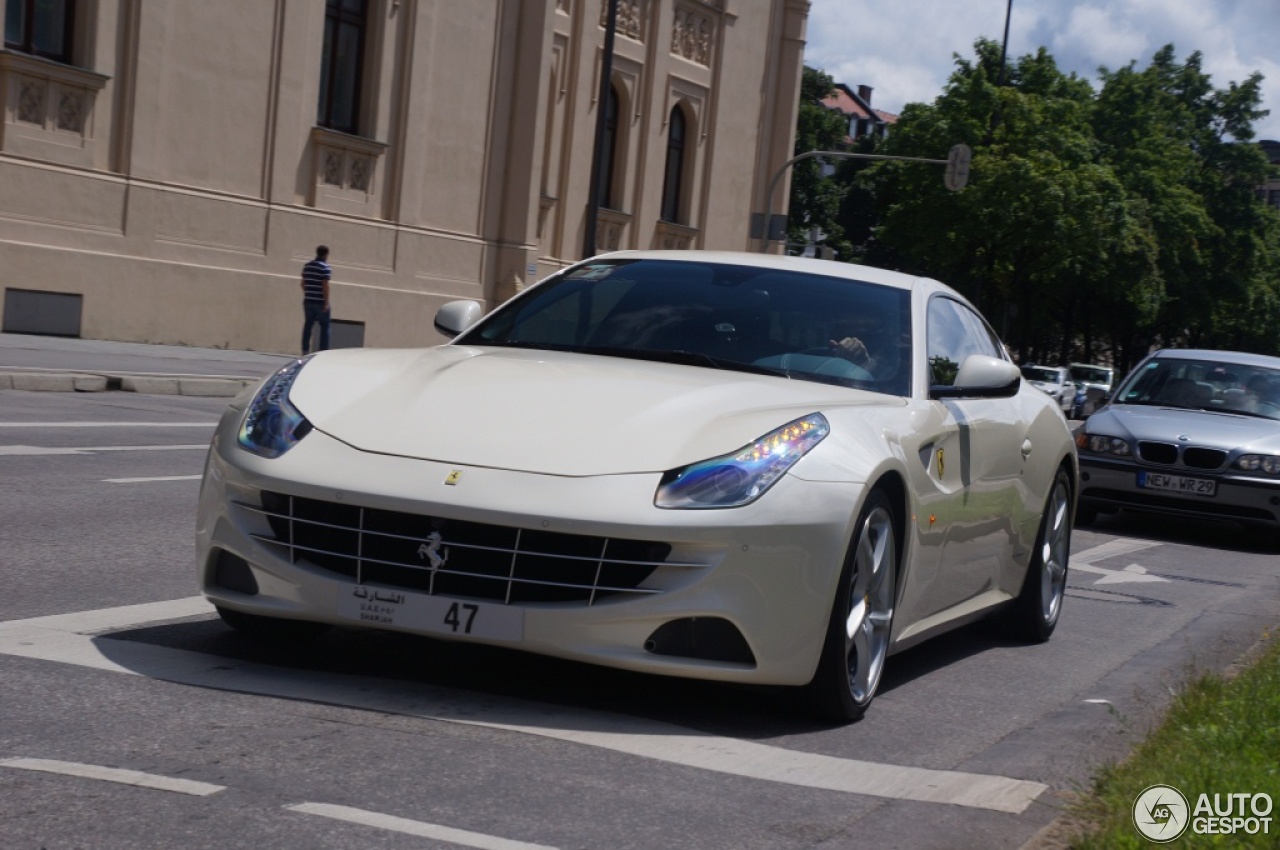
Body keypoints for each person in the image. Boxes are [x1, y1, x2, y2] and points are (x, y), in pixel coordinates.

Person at [301, 245, 331, 354]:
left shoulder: (307, 266)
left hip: (308, 300)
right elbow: (325, 286)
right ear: (326, 254)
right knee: (325, 326)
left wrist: (308, 293)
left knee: (308, 325)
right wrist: (326, 302)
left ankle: (305, 350)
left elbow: (303, 283)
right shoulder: (325, 268)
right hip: (320, 301)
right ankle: (323, 352)